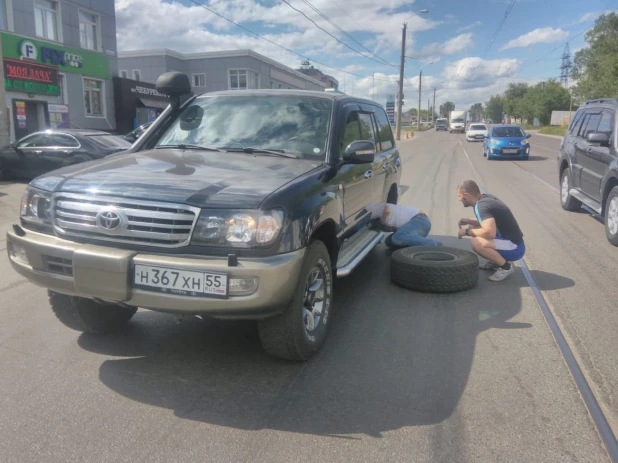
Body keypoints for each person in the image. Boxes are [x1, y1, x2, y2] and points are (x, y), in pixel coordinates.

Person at [456, 180, 525, 282]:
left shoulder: (481, 206)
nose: (459, 199)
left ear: (466, 195)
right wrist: (468, 221)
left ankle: (506, 267)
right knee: (472, 226)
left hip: (515, 247)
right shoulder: (485, 199)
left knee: (476, 243)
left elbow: (489, 232)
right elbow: (488, 221)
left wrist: (466, 232)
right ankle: (496, 261)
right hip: (509, 241)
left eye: (459, 196)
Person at [365, 202, 442, 248]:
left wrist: (382, 219)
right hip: (416, 227)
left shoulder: (373, 207)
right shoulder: (374, 211)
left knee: (397, 237)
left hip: (420, 220)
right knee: (389, 241)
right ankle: (416, 245)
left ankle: (436, 245)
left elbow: (387, 210)